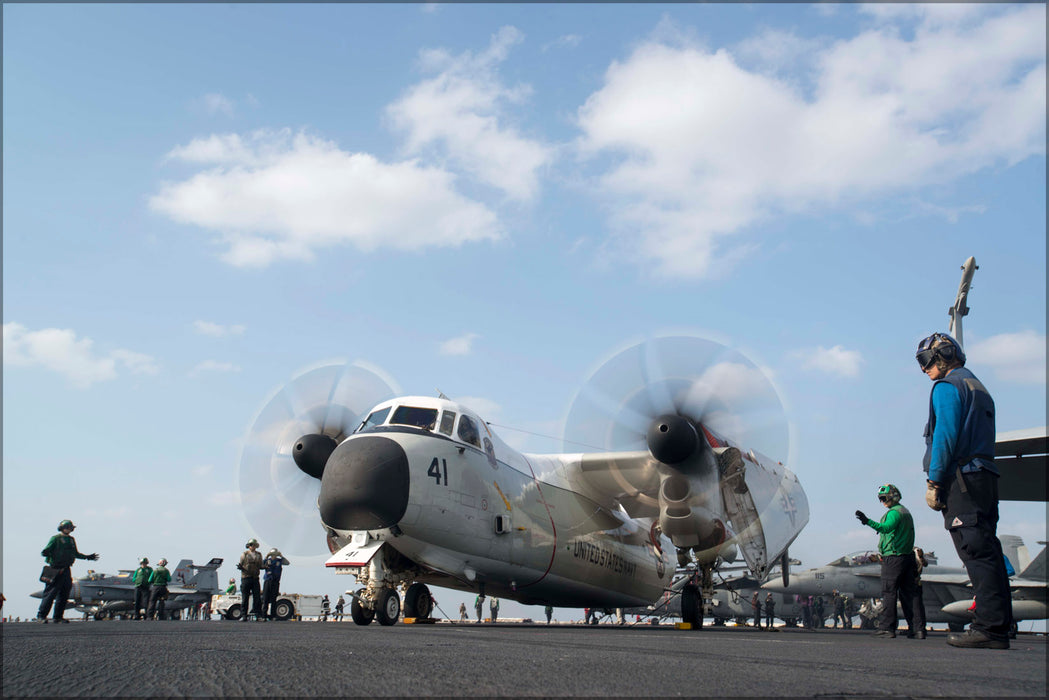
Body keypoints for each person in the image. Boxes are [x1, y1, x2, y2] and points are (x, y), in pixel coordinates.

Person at [916, 332, 1012, 650]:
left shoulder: (947, 386)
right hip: (985, 476)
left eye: (926, 360)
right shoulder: (978, 387)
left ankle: (988, 627)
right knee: (988, 550)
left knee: (974, 550)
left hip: (962, 480)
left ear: (944, 355)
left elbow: (944, 435)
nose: (924, 369)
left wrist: (935, 480)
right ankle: (998, 625)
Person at [856, 483, 920, 639]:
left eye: (884, 498)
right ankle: (917, 629)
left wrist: (867, 521)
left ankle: (887, 628)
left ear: (893, 496)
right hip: (907, 558)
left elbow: (885, 528)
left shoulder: (894, 513)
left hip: (893, 558)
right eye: (880, 499)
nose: (882, 501)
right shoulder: (906, 512)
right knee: (908, 595)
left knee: (889, 593)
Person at [37, 520, 99, 623]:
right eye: (68, 527)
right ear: (63, 527)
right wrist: (46, 553)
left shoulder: (71, 540)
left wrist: (87, 557)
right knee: (50, 594)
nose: (70, 529)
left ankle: (58, 617)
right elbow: (46, 550)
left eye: (71, 528)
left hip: (66, 569)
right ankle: (41, 616)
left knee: (64, 593)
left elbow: (75, 553)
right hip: (55, 568)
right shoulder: (56, 538)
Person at [238, 539, 263, 621]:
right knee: (245, 597)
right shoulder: (244, 554)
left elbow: (260, 565)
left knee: (257, 597)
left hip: (255, 578)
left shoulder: (259, 555)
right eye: (251, 545)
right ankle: (244, 615)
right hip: (246, 578)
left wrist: (265, 567)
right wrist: (241, 567)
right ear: (248, 546)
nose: (253, 546)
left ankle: (258, 614)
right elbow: (241, 564)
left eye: (254, 545)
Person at [261, 548, 289, 621]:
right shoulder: (267, 561)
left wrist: (281, 556)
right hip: (268, 580)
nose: (274, 556)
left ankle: (273, 615)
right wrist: (266, 557)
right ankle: (264, 615)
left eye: (275, 555)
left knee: (274, 599)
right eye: (272, 555)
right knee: (265, 598)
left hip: (275, 581)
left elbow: (287, 563)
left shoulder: (279, 561)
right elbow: (260, 564)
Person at [913, 547, 928, 637]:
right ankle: (918, 629)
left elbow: (924, 564)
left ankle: (919, 630)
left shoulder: (915, 551)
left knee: (916, 607)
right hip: (915, 583)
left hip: (913, 583)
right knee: (917, 607)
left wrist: (921, 557)